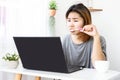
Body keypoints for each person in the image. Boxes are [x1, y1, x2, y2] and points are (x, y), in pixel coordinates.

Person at [62, 3, 107, 69]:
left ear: (85, 22)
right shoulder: (66, 39)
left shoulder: (99, 39)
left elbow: (99, 66)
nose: (70, 25)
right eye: (68, 20)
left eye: (75, 21)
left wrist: (96, 37)